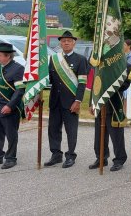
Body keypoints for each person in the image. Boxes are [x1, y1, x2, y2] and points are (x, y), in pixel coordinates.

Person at [44, 30, 88, 169]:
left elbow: (82, 83)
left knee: (71, 130)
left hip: (71, 102)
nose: (66, 43)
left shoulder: (80, 60)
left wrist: (78, 101)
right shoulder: (54, 59)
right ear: (60, 43)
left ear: (74, 43)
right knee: (53, 129)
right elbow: (49, 79)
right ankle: (56, 154)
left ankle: (70, 156)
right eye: (63, 41)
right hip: (55, 101)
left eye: (69, 41)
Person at [89, 57, 131, 172]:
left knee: (116, 135)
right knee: (99, 135)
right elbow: (95, 84)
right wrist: (91, 103)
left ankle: (119, 159)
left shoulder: (125, 66)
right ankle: (101, 158)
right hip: (99, 104)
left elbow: (126, 84)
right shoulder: (100, 64)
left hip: (114, 105)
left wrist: (110, 83)